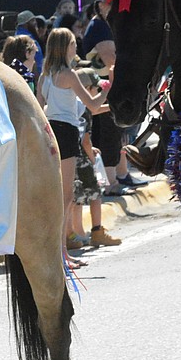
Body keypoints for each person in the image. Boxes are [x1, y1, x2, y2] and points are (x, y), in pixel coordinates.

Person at [36, 29, 109, 260]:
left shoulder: (44, 76)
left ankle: (60, 252)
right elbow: (93, 106)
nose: (75, 47)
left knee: (59, 194)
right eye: (72, 44)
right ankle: (62, 254)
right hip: (66, 133)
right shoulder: (69, 74)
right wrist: (107, 89)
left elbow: (39, 109)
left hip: (49, 131)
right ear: (64, 47)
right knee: (66, 196)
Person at [81, 0, 143, 193]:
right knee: (110, 132)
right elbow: (111, 60)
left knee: (118, 132)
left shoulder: (107, 25)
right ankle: (112, 182)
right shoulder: (99, 26)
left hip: (109, 84)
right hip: (105, 86)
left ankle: (122, 175)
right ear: (100, 5)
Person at [68, 69, 122, 251]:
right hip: (82, 157)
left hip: (69, 155)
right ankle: (97, 231)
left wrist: (112, 107)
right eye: (95, 90)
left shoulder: (73, 103)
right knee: (95, 193)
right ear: (88, 88)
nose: (97, 94)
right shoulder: (84, 108)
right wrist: (92, 157)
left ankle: (77, 234)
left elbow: (95, 109)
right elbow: (85, 139)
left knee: (75, 198)